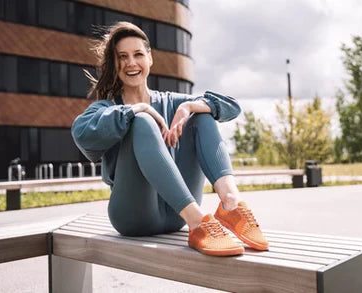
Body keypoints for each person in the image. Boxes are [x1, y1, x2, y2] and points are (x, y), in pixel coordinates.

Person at [71, 21, 268, 256]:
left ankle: (231, 204)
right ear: (114, 64)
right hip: (133, 216)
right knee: (142, 120)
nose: (131, 63)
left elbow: (232, 107)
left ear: (150, 58)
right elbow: (81, 133)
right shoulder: (108, 107)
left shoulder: (172, 101)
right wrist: (138, 109)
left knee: (200, 112)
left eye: (137, 54)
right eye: (122, 57)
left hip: (176, 218)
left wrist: (189, 106)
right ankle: (198, 223)